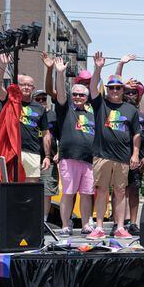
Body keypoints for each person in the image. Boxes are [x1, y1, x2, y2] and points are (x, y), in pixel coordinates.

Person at [88, 52, 141, 240]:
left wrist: (135, 154)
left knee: (120, 192)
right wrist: (98, 68)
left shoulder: (130, 109)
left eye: (118, 88)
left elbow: (136, 133)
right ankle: (100, 227)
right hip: (102, 155)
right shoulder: (100, 104)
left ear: (123, 90)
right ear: (108, 90)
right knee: (101, 191)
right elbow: (93, 87)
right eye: (111, 88)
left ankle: (119, 227)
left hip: (123, 158)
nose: (115, 91)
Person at [0, 53, 50, 183]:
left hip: (32, 153)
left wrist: (47, 156)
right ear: (17, 85)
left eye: (30, 85)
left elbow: (46, 133)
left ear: (33, 88)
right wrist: (2, 67)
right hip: (12, 150)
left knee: (29, 193)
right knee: (10, 189)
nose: (26, 87)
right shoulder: (9, 100)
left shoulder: (40, 108)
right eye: (23, 84)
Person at [52, 57, 95, 236]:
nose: (77, 97)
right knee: (68, 193)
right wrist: (60, 73)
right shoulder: (66, 108)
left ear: (87, 97)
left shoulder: (94, 111)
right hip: (69, 157)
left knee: (86, 194)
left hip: (89, 160)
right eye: (75, 94)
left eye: (81, 95)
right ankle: (65, 225)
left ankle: (85, 225)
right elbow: (61, 94)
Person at [115, 52, 144, 236]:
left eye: (133, 92)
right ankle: (117, 222)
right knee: (118, 190)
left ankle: (133, 223)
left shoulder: (142, 112)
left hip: (136, 156)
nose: (129, 94)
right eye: (127, 91)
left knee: (134, 190)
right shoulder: (115, 106)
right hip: (116, 154)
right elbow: (114, 83)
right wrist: (121, 64)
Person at [34, 88, 59, 223]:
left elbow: (62, 135)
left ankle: (43, 222)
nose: (41, 101)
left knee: (47, 192)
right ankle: (32, 219)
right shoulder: (30, 113)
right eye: (38, 99)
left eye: (44, 99)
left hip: (48, 160)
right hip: (32, 157)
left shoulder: (54, 115)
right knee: (30, 190)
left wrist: (59, 153)